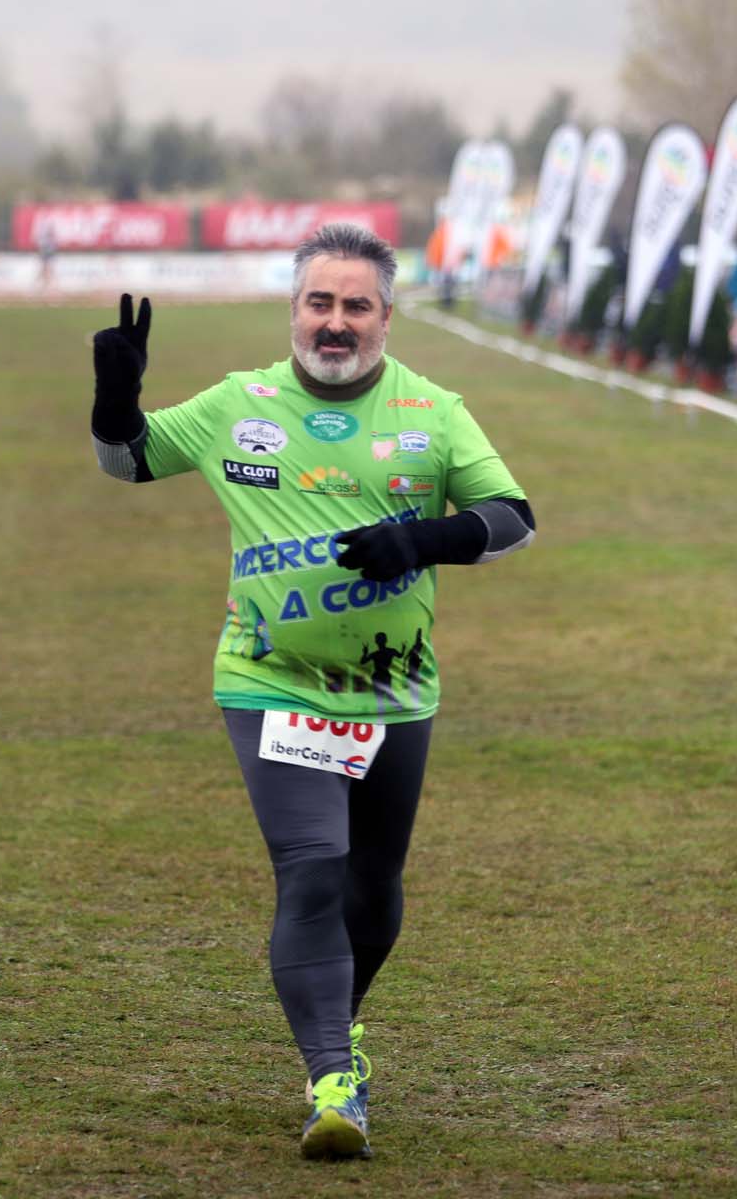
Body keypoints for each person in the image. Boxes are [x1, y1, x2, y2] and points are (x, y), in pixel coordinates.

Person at [89, 223, 535, 1160]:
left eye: (355, 306)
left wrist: (420, 541)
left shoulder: (434, 410)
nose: (335, 324)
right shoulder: (236, 404)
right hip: (268, 681)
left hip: (395, 691)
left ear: (385, 315)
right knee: (314, 867)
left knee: (373, 893)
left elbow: (514, 519)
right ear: (294, 309)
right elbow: (128, 460)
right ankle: (334, 1079)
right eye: (319, 304)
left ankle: (339, 1019)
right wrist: (116, 398)